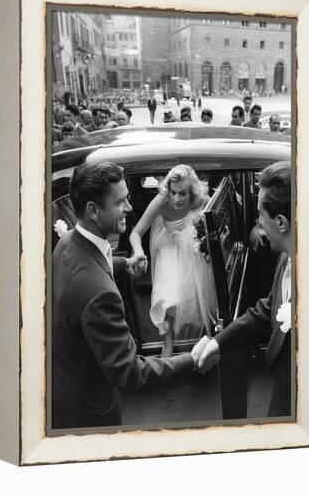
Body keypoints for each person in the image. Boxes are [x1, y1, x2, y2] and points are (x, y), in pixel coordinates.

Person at [52, 162, 201, 429]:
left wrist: (124, 264)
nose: (130, 208)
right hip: (90, 412)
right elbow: (131, 373)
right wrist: (192, 359)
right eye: (121, 202)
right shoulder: (100, 295)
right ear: (93, 210)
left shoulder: (68, 242)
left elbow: (96, 263)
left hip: (68, 384)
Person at [194, 161, 292, 417]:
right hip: (284, 393)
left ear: (281, 222)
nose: (258, 222)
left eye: (261, 215)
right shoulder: (286, 258)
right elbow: (270, 307)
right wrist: (219, 342)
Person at [130, 165, 219, 357]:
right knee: (168, 294)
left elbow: (217, 220)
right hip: (167, 243)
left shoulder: (202, 200)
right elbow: (136, 232)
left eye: (183, 194)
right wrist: (139, 251)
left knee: (196, 293)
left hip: (191, 245)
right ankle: (168, 339)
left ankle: (205, 337)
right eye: (173, 192)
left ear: (192, 192)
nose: (177, 199)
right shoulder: (162, 201)